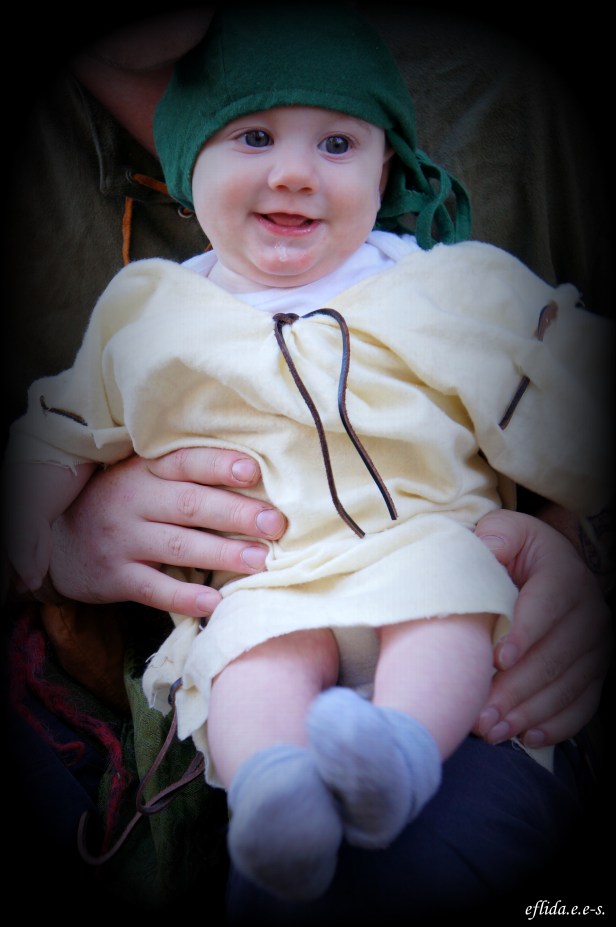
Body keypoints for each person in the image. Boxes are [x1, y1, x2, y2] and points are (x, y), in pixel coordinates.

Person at [2, 3, 613, 920]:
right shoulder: (152, 312)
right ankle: (276, 797)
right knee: (251, 664)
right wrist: (49, 539)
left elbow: (563, 377)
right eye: (253, 136)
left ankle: (395, 754)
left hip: (420, 556)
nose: (294, 171)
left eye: (337, 144)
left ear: (388, 165)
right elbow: (61, 418)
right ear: (187, 162)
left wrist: (587, 537)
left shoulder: (438, 281)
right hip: (265, 589)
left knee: (446, 607)